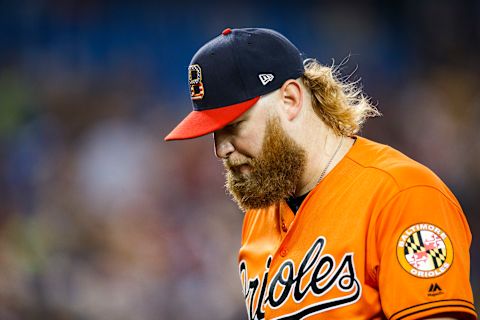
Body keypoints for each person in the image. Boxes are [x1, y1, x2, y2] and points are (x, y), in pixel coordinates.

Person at [165, 28, 477, 320]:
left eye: (233, 126)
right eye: (213, 133)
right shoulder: (260, 215)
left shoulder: (402, 195)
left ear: (290, 99)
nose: (221, 149)